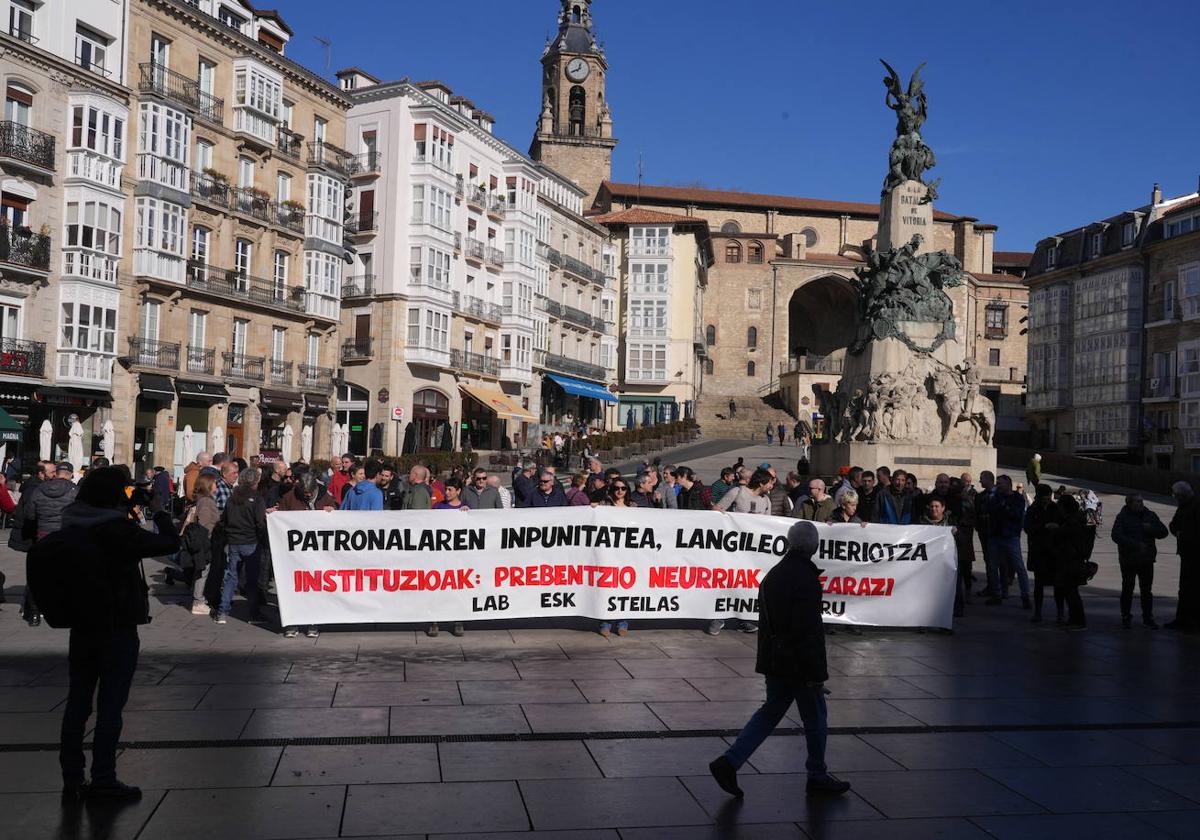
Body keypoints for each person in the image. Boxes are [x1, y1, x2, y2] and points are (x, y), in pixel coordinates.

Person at [58, 467, 180, 800]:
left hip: (81, 626)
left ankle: (71, 779)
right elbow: (170, 543)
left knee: (78, 702)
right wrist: (157, 509)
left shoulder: (70, 524)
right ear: (114, 495)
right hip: (116, 626)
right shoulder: (117, 531)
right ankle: (104, 779)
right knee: (110, 705)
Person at [709, 520, 850, 800]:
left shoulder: (776, 573)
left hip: (776, 659)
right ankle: (817, 775)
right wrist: (815, 673)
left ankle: (730, 761)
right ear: (814, 545)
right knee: (815, 717)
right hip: (798, 663)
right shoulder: (805, 578)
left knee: (770, 712)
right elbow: (807, 630)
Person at [215, 468, 266, 625]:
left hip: (234, 541)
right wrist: (263, 538)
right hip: (251, 541)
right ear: (255, 482)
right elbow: (259, 522)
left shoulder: (233, 496)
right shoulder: (257, 498)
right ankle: (253, 613)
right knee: (251, 579)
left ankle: (222, 612)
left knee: (232, 577)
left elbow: (224, 519)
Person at [1111, 492, 1168, 629]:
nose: (1140, 504)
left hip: (1146, 559)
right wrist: (1135, 545)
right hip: (1128, 560)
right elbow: (1116, 535)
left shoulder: (1150, 515)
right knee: (1127, 589)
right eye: (1137, 502)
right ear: (1129, 504)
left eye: (1141, 501)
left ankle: (1147, 617)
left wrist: (1151, 529)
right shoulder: (1122, 517)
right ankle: (1126, 616)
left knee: (1146, 590)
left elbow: (1163, 532)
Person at [597, 479, 636, 637]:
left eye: (623, 488)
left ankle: (622, 622)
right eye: (617, 488)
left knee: (625, 588)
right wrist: (593, 509)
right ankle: (605, 622)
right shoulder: (604, 505)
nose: (620, 491)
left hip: (627, 555)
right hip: (608, 553)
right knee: (607, 587)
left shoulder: (633, 507)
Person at [179, 473, 221, 616]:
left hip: (204, 540)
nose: (216, 486)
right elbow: (204, 523)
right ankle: (198, 601)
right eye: (215, 483)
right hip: (205, 541)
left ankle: (198, 599)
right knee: (202, 571)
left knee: (201, 571)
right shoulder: (207, 501)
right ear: (208, 485)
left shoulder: (204, 500)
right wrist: (213, 530)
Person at [986, 475, 1030, 608]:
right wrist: (1005, 509)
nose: (998, 485)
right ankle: (996, 595)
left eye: (1000, 483)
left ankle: (1025, 596)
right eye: (997, 483)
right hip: (995, 535)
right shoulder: (995, 497)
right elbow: (991, 510)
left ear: (1008, 484)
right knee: (993, 566)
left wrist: (1004, 509)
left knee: (1019, 567)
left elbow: (1016, 515)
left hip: (1011, 536)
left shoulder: (1017, 498)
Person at [1023, 484, 1062, 624]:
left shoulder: (1056, 508)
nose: (1047, 500)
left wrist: (1057, 528)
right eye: (1044, 497)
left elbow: (1063, 525)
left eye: (1048, 497)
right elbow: (1027, 527)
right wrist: (1043, 527)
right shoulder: (1033, 509)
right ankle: (1038, 612)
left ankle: (1060, 613)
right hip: (1038, 550)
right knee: (1039, 584)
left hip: (1054, 551)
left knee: (1058, 584)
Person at [1167, 481, 1200, 632]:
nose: (1176, 499)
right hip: (1186, 553)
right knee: (1184, 587)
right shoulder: (1183, 506)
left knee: (1192, 587)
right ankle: (1182, 619)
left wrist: (1184, 535)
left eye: (1177, 496)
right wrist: (1178, 532)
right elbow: (1173, 525)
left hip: (1195, 553)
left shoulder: (1196, 505)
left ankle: (1191, 620)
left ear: (1183, 495)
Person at [1054, 495, 1088, 630]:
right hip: (1073, 561)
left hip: (1071, 562)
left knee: (1071, 592)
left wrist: (1056, 531)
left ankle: (1078, 621)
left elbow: (1064, 539)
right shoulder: (1077, 520)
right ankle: (1075, 619)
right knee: (1071, 592)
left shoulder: (1071, 523)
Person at [28, 461, 79, 539]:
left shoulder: (40, 488)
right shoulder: (76, 491)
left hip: (43, 532)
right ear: (71, 475)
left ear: (56, 473)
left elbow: (30, 514)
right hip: (66, 533)